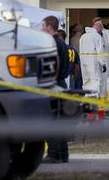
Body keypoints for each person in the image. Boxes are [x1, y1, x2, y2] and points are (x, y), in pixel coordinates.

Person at [41, 16, 70, 163]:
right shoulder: (62, 43)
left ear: (49, 26)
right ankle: (63, 154)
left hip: (53, 84)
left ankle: (53, 154)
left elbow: (53, 66)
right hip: (62, 84)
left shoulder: (51, 43)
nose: (41, 29)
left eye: (42, 25)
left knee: (51, 120)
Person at [79, 19, 106, 96]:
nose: (101, 31)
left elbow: (80, 50)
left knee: (86, 81)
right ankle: (94, 101)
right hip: (93, 62)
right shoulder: (97, 36)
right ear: (99, 27)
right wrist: (103, 64)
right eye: (101, 28)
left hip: (83, 61)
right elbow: (100, 51)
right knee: (95, 81)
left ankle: (87, 100)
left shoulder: (83, 36)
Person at [98, 18, 109, 98]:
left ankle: (108, 99)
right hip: (105, 63)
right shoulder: (105, 36)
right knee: (104, 82)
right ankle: (103, 99)